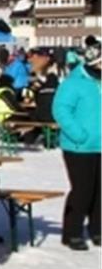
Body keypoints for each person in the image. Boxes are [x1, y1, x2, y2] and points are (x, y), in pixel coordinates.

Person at [52, 39, 101, 250]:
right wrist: (78, 135)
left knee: (100, 191)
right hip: (78, 147)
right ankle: (72, 232)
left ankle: (97, 229)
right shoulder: (74, 82)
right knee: (82, 190)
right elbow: (61, 110)